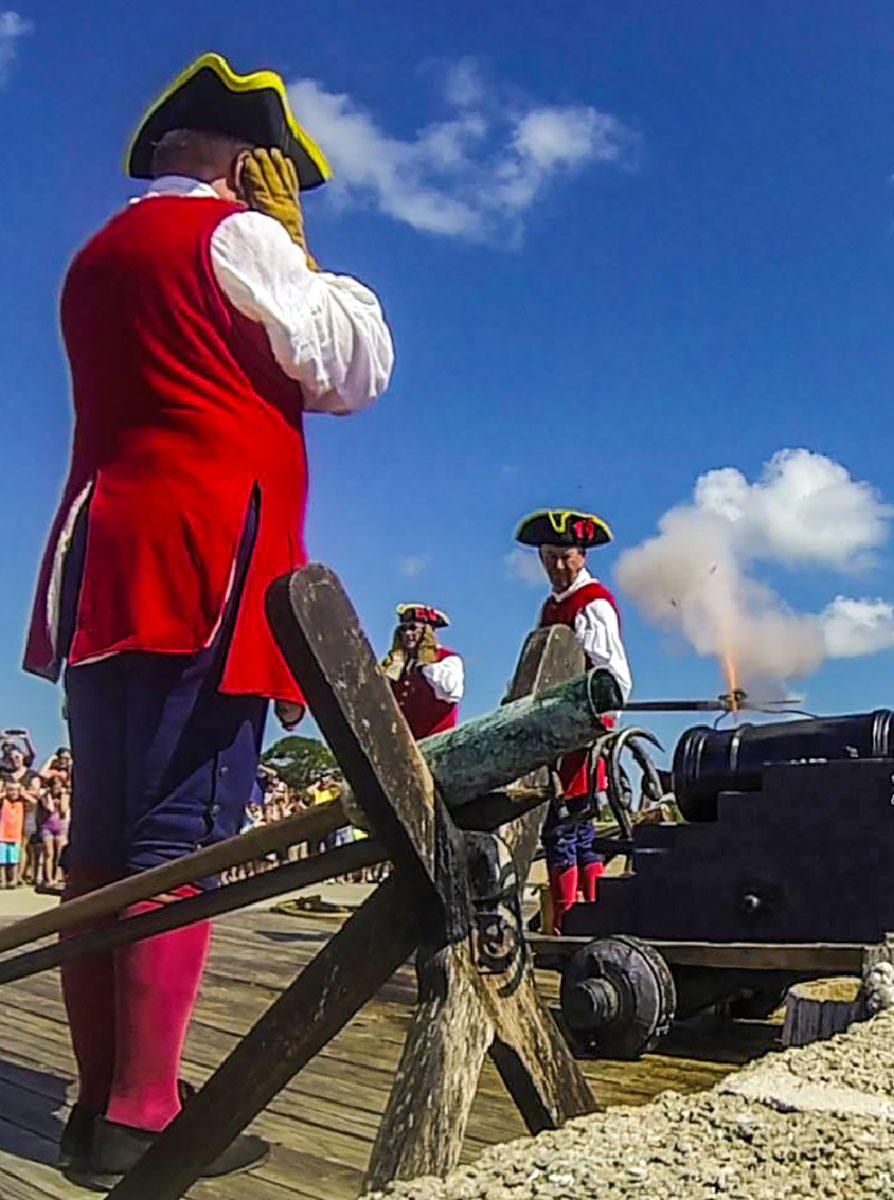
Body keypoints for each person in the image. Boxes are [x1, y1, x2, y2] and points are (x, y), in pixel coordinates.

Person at [20, 52, 393, 1186]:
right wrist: (304, 249)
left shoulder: (95, 255)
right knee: (179, 841)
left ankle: (96, 1105)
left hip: (103, 556)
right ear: (247, 162)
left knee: (101, 851)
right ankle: (139, 1113)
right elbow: (348, 368)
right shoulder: (238, 237)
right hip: (202, 561)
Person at [514, 510, 631, 934]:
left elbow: (613, 676)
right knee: (566, 834)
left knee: (571, 831)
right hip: (554, 736)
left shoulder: (593, 604)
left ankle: (576, 921)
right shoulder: (551, 607)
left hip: (579, 738)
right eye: (549, 557)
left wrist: (592, 724)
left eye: (566, 557)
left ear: (582, 556)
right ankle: (570, 920)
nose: (558, 567)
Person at [381, 604, 464, 739]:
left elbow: (450, 691)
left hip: (435, 741)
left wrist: (426, 663)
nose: (408, 634)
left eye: (413, 628)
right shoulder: (399, 666)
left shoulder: (446, 660)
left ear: (426, 632)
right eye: (403, 629)